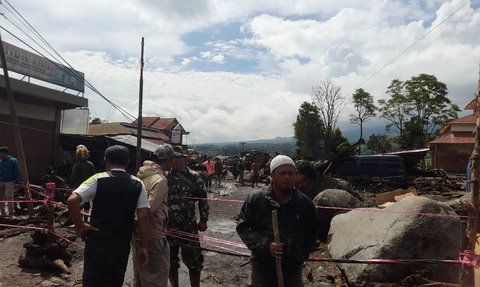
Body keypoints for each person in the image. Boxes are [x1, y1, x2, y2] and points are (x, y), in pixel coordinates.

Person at [67, 145, 150, 287]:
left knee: (93, 281)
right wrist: (144, 246)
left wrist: (80, 226)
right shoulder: (138, 183)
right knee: (115, 280)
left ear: (106, 161)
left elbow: (72, 201)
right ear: (127, 162)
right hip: (121, 244)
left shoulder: (98, 179)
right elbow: (143, 216)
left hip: (97, 241)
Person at [237, 155, 318, 287]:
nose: (287, 177)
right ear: (272, 175)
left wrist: (300, 255)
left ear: (295, 175)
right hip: (262, 265)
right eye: (282, 173)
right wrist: (266, 244)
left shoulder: (305, 204)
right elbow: (243, 227)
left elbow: (312, 233)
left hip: (292, 268)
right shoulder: (257, 199)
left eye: (290, 173)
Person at [134, 144, 178, 287]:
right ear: (168, 160)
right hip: (153, 236)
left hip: (138, 233)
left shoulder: (141, 176)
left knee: (141, 278)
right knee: (156, 279)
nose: (174, 162)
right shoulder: (160, 180)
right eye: (173, 159)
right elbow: (148, 210)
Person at [168, 147, 209, 287]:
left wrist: (203, 219)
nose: (175, 160)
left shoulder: (194, 176)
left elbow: (203, 199)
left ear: (184, 158)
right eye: (172, 157)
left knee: (195, 261)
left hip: (188, 226)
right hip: (168, 226)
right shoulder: (164, 176)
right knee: (170, 260)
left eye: (178, 157)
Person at [0, 146, 21, 218]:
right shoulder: (0, 162)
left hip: (9, 182)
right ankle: (3, 213)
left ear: (4, 153)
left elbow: (16, 171)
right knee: (1, 198)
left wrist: (17, 181)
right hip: (0, 181)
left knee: (9, 197)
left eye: (0, 153)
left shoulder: (13, 160)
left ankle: (11, 214)